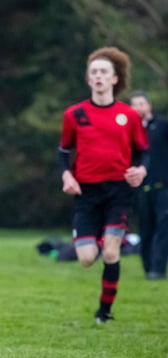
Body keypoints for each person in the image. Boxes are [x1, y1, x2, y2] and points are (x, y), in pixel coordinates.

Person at [58, 47, 148, 324]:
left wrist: (141, 169)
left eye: (103, 72)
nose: (98, 76)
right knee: (87, 258)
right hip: (86, 192)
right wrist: (66, 175)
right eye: (93, 72)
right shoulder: (74, 114)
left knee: (110, 252)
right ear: (88, 79)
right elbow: (63, 152)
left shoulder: (129, 116)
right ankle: (98, 237)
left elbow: (143, 151)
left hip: (118, 190)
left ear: (114, 79)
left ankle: (104, 311)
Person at [129, 91, 168, 280]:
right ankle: (147, 268)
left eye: (141, 104)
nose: (138, 108)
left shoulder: (162, 126)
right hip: (142, 189)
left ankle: (158, 270)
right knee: (145, 230)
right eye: (134, 105)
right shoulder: (131, 132)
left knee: (163, 229)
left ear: (149, 105)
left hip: (163, 187)